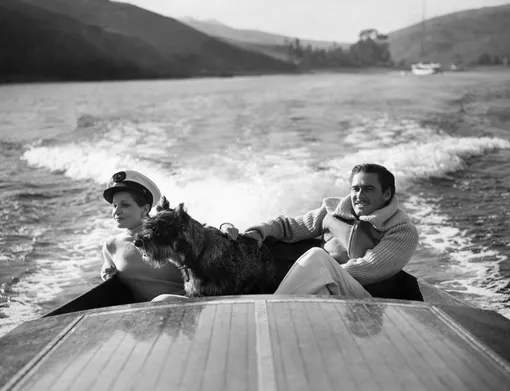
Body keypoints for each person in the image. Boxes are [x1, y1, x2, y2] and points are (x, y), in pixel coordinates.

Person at [234, 163, 419, 298]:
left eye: (368, 189)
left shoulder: (402, 229)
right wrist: (259, 232)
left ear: (386, 194)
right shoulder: (333, 210)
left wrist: (321, 274)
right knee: (319, 292)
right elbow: (289, 226)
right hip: (329, 286)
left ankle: (275, 307)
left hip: (367, 297)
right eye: (355, 189)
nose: (359, 196)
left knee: (317, 257)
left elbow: (370, 268)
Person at [101, 170, 185, 301]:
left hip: (190, 307)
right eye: (114, 205)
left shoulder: (170, 235)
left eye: (125, 205)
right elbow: (107, 267)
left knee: (163, 300)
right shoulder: (111, 245)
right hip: (143, 316)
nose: (116, 211)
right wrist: (106, 273)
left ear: (145, 209)